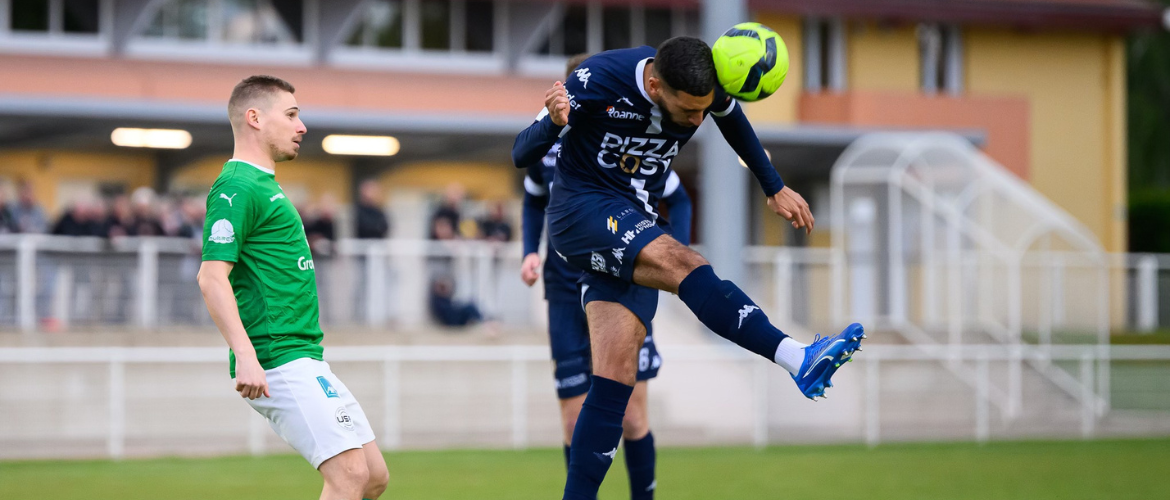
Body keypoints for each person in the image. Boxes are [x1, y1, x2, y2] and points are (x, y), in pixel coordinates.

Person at [512, 38, 865, 500]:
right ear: (655, 85)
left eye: (705, 110)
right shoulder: (598, 79)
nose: (699, 120)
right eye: (689, 111)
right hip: (580, 211)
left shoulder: (704, 90)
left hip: (633, 216)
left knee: (615, 381)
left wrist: (773, 186)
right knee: (686, 261)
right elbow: (521, 152)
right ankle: (798, 358)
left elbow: (732, 117)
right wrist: (554, 123)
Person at [196, 75, 388, 500]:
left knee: (373, 477)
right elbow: (211, 277)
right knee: (350, 476)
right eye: (291, 115)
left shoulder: (266, 185)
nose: (302, 126)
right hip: (276, 358)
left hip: (306, 356)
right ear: (254, 119)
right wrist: (246, 356)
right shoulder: (237, 186)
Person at [518, 52, 692, 500]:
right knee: (574, 419)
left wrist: (670, 258)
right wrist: (529, 253)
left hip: (619, 281)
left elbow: (679, 196)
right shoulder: (549, 143)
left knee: (632, 416)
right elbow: (533, 198)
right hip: (562, 287)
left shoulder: (628, 140)